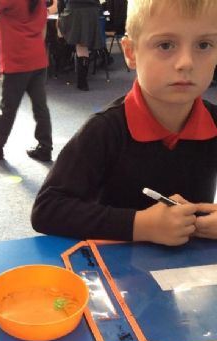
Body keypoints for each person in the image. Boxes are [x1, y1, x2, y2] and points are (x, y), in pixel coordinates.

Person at [32, 0, 217, 246]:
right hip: (118, 264)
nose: (186, 63)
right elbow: (47, 209)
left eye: (204, 45)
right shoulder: (105, 130)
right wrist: (141, 225)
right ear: (130, 53)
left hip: (193, 265)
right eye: (165, 45)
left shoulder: (214, 122)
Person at [0, 0, 53, 162]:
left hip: (17, 61)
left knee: (8, 109)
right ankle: (45, 148)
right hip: (37, 59)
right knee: (40, 107)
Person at [58, 0, 103, 91]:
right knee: (83, 45)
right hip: (92, 11)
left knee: (60, 30)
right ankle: (83, 83)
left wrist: (60, 12)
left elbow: (60, 3)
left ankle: (62, 64)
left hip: (74, 10)